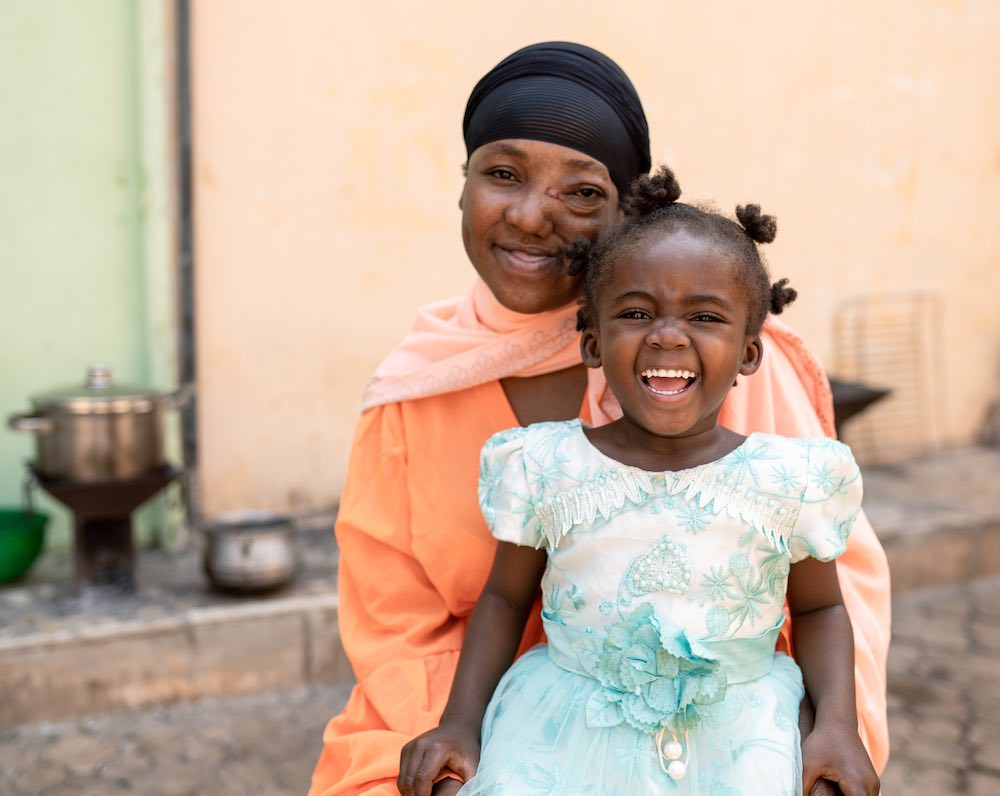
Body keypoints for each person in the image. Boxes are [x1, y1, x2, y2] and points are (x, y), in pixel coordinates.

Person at [309, 42, 890, 796]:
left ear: (625, 209)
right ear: (463, 187)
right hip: (488, 728)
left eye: (580, 193)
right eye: (503, 174)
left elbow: (823, 599)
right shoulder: (414, 391)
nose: (529, 216)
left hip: (729, 739)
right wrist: (466, 753)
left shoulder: (724, 365)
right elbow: (398, 632)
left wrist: (822, 734)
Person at [397, 167, 881, 796]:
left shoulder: (789, 479)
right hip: (564, 733)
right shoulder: (546, 467)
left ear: (749, 353)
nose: (668, 335)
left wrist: (837, 725)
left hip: (741, 741)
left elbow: (820, 608)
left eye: (705, 317)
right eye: (635, 312)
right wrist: (460, 723)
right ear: (593, 344)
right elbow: (504, 600)